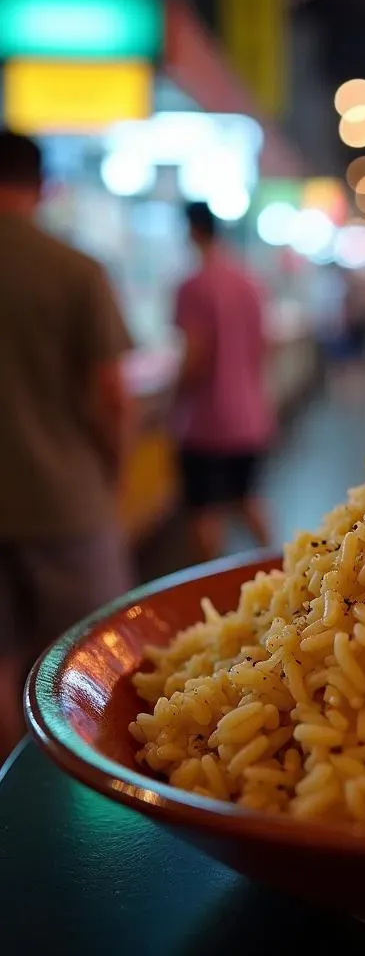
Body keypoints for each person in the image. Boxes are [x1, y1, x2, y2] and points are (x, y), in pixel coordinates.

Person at [0, 130, 134, 756]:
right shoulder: (75, 270)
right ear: (42, 186)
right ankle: (60, 797)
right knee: (81, 669)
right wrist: (114, 472)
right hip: (65, 501)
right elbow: (111, 396)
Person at [174, 202, 274, 563]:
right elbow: (266, 345)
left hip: (205, 422)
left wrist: (174, 398)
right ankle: (281, 568)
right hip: (249, 417)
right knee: (247, 498)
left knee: (205, 510)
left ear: (191, 231)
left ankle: (207, 586)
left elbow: (195, 357)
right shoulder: (249, 281)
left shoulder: (192, 285)